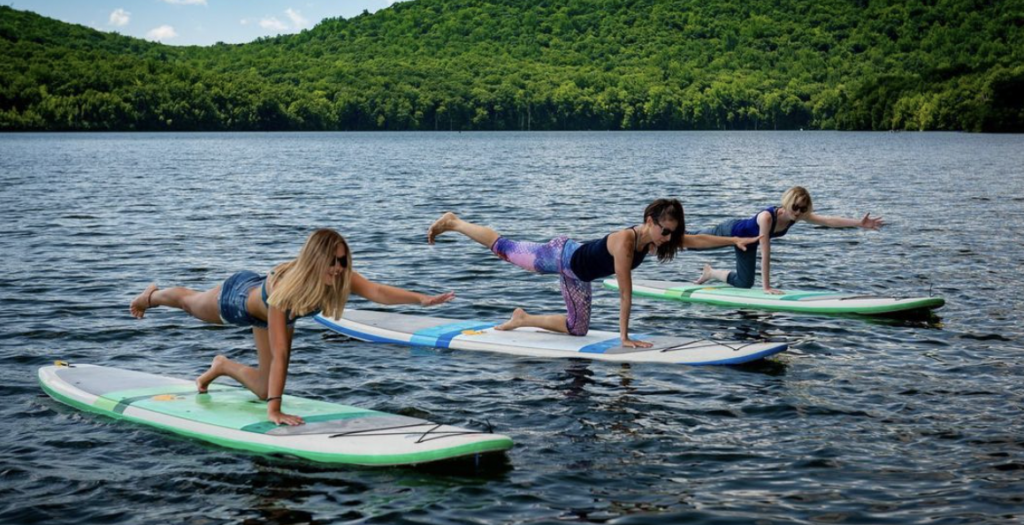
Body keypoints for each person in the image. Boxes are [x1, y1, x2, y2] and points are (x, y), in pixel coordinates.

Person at [129, 228, 454, 426]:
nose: (340, 269)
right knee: (190, 304)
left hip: (268, 312)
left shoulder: (338, 277)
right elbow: (282, 351)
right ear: (316, 260)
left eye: (343, 261)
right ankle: (151, 296)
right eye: (334, 261)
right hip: (237, 300)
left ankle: (221, 366)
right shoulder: (287, 293)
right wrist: (275, 411)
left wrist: (421, 300)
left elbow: (379, 292)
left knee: (261, 388)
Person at [427, 199, 757, 349]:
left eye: (672, 233)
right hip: (560, 256)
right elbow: (625, 293)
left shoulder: (655, 241)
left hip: (578, 276)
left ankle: (522, 318)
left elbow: (696, 240)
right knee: (506, 249)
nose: (669, 238)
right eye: (665, 231)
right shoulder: (626, 242)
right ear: (650, 221)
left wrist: (733, 239)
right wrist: (624, 338)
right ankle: (455, 222)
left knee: (577, 330)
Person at [693, 186, 885, 294]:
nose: (799, 212)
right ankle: (673, 236)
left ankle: (710, 273)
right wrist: (766, 287)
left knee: (744, 283)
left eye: (803, 209)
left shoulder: (798, 216)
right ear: (787, 202)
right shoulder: (767, 218)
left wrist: (859, 223)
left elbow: (827, 220)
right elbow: (766, 252)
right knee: (693, 244)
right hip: (730, 231)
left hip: (747, 244)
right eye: (796, 207)